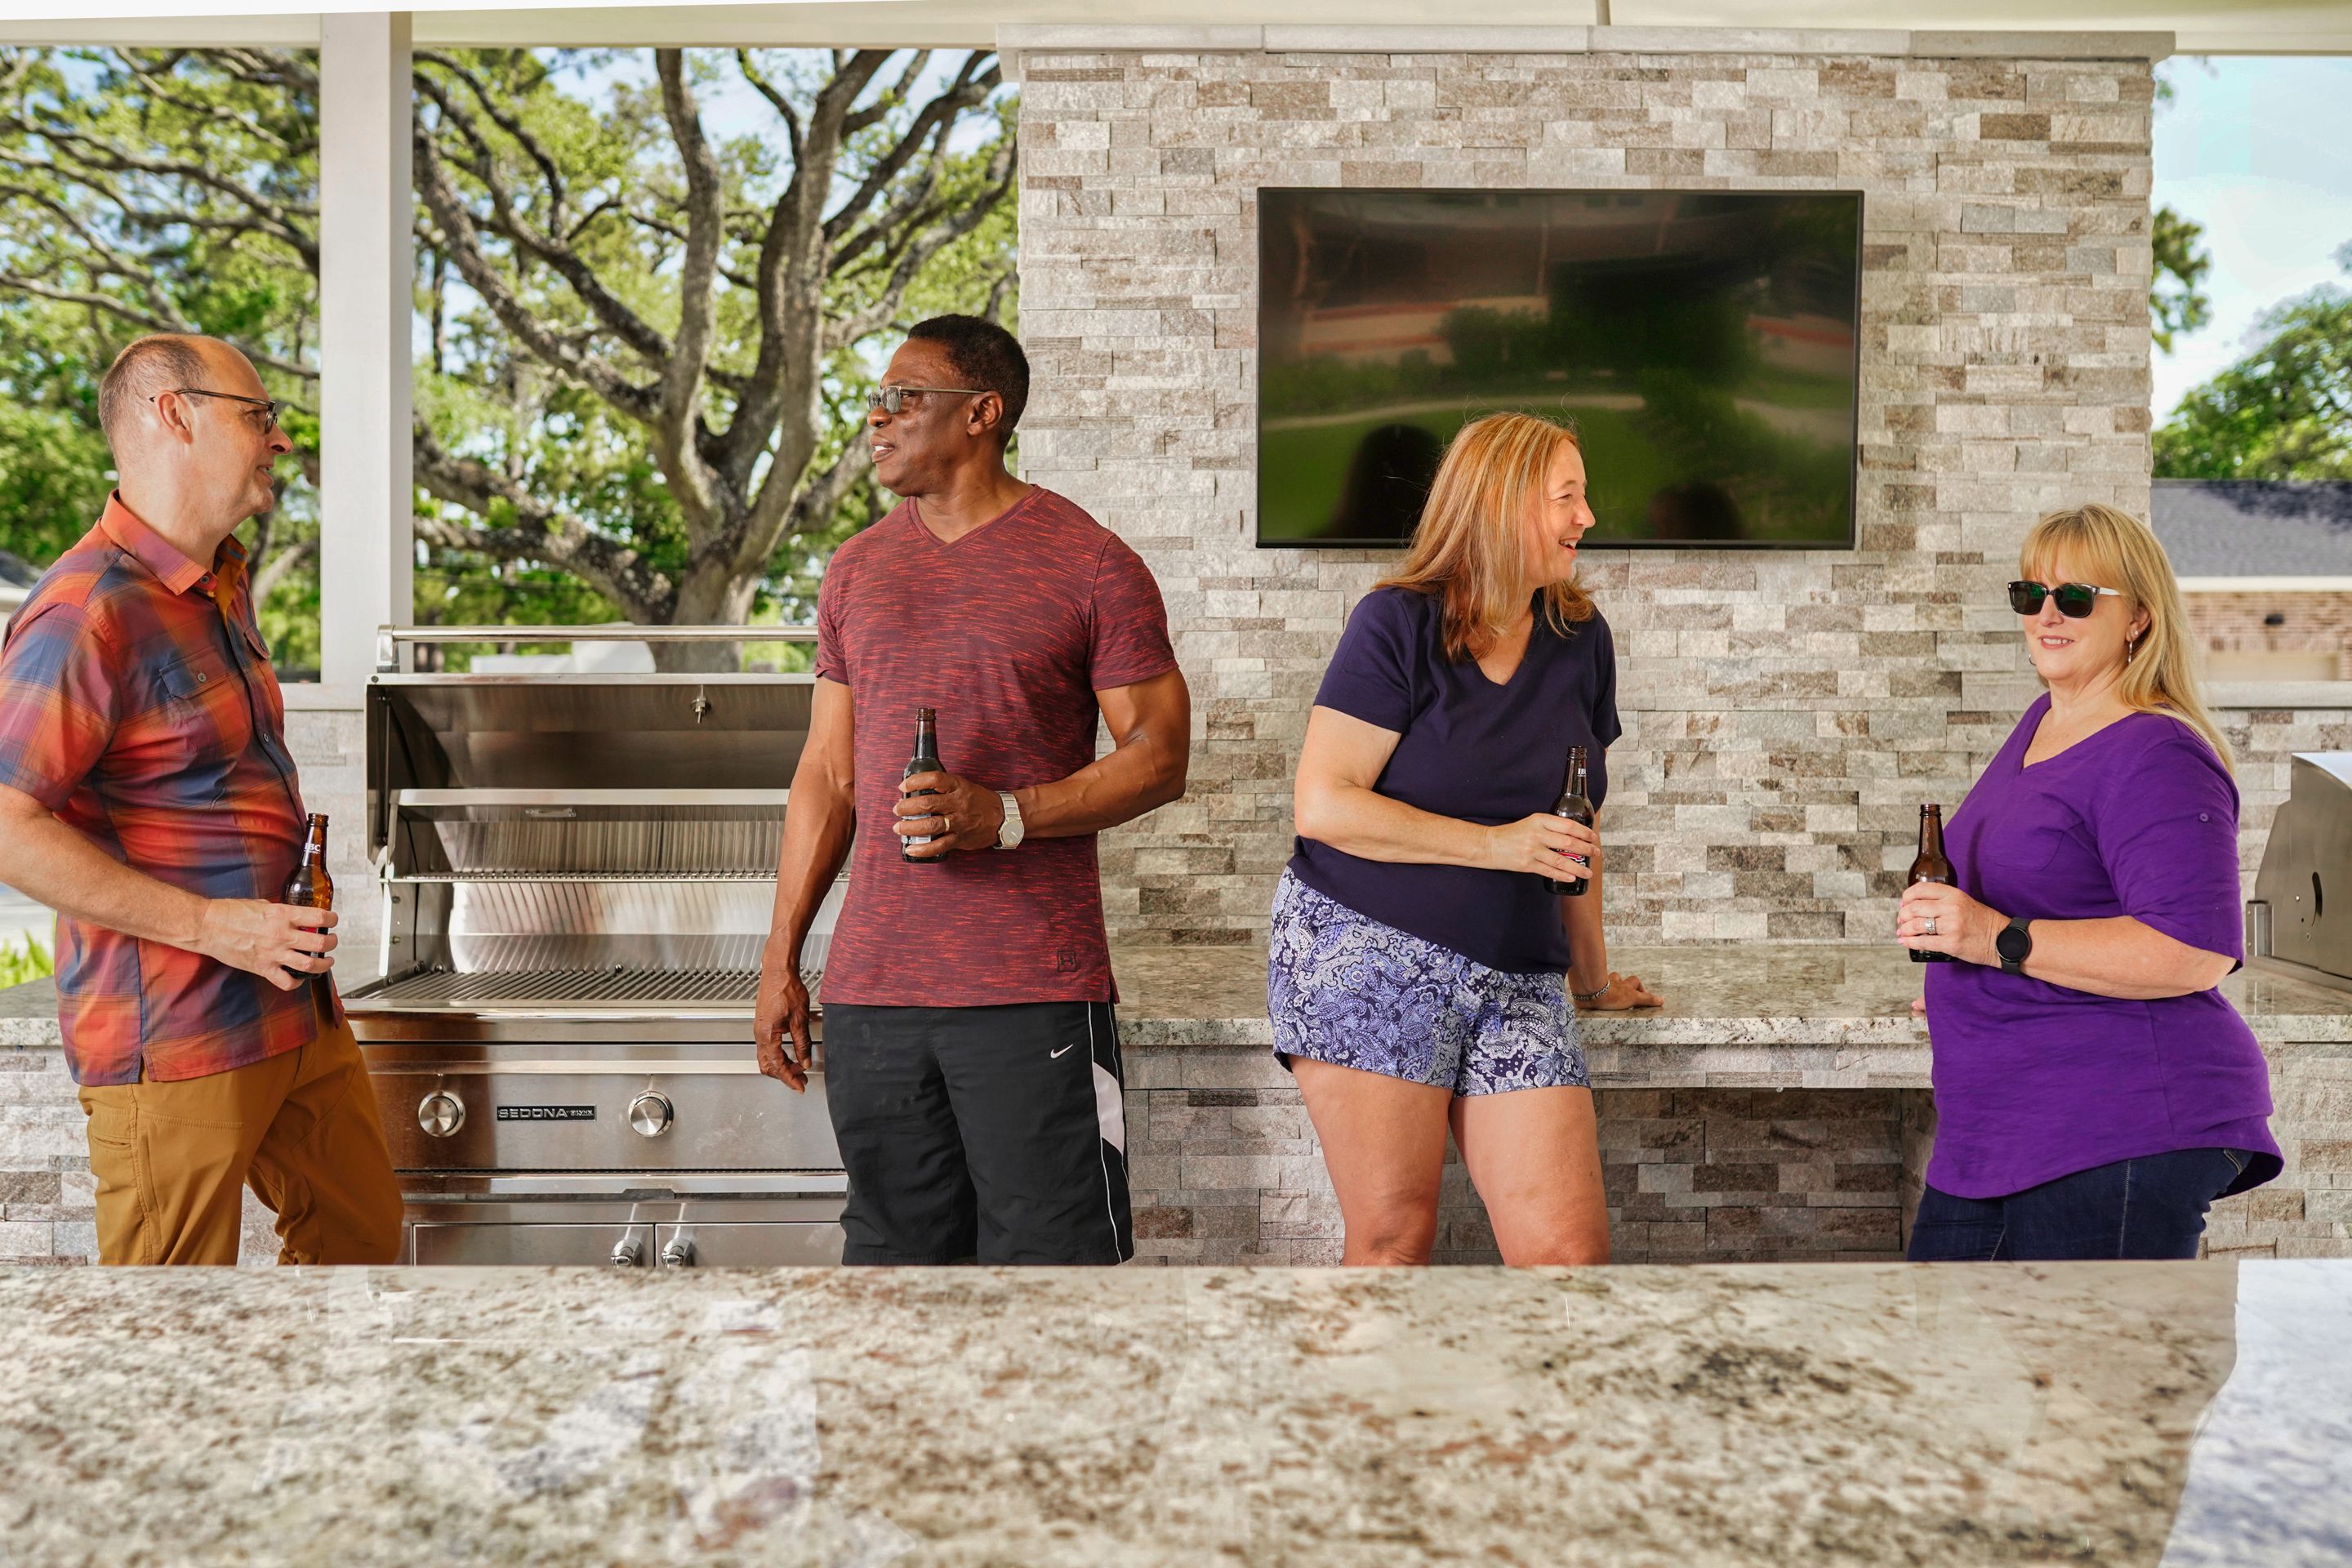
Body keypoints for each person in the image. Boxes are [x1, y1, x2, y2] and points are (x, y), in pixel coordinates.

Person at [752, 314, 1190, 1266]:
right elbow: (827, 773)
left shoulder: (1091, 563)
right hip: (872, 997)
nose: (877, 418)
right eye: (876, 400)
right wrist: (782, 956)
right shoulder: (856, 570)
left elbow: (1160, 755)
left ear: (983, 414)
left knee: (1051, 1278)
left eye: (904, 398)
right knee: (893, 1276)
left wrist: (1011, 815)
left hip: (1031, 992)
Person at [0, 334, 402, 1266]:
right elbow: (8, 826)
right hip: (176, 1038)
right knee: (166, 1315)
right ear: (175, 415)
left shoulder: (219, 581)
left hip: (291, 1012)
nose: (280, 441)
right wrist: (216, 927)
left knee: (361, 1252)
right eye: (259, 417)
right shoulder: (85, 613)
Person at [1272, 412, 1660, 1267]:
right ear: (1502, 504)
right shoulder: (1395, 623)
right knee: (1392, 1242)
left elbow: (1575, 829)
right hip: (1368, 950)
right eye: (1567, 497)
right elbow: (1323, 805)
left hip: (1517, 972)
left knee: (1568, 1257)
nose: (1588, 517)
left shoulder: (1581, 639)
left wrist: (1593, 980)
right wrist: (1497, 846)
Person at [1898, 502, 2282, 1261]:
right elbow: (2054, 906)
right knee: (1940, 1338)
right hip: (2001, 1130)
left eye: (2076, 597)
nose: (2047, 614)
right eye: (2030, 594)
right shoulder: (2044, 721)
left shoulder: (2158, 752)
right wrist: (1972, 984)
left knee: (2082, 1349)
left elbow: (2191, 952)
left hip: (2116, 1124)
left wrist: (1993, 940)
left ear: (2138, 616)